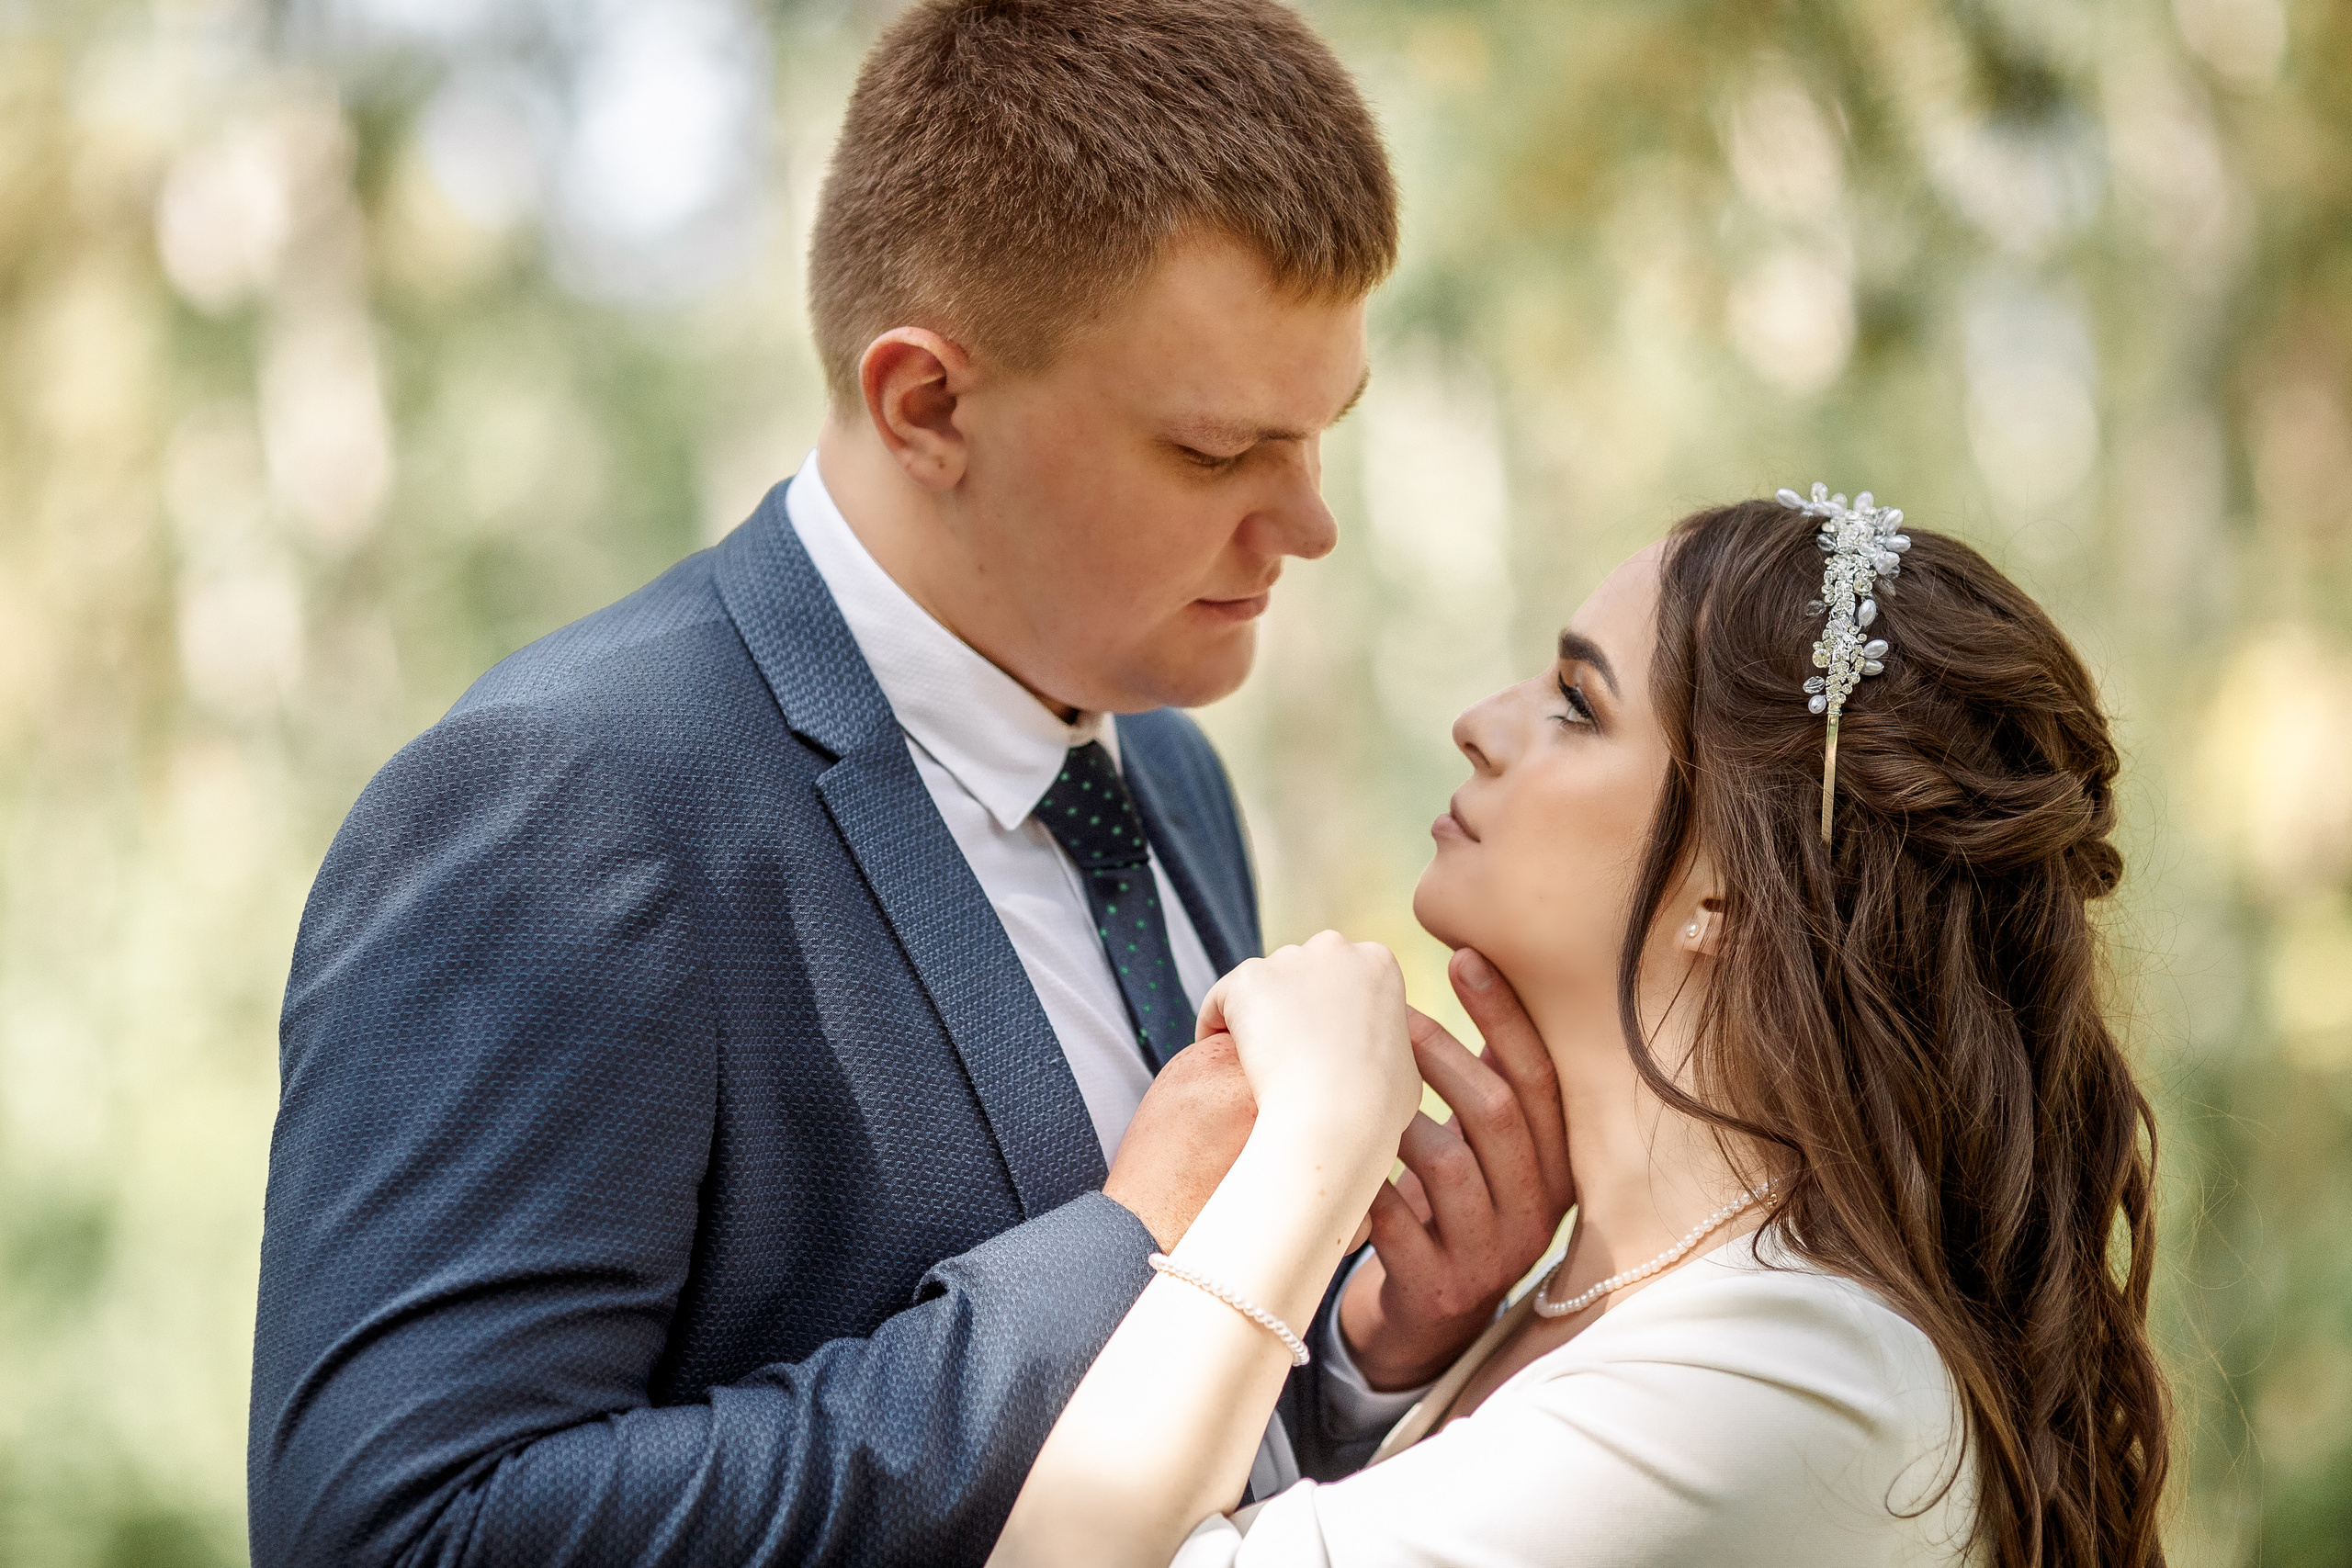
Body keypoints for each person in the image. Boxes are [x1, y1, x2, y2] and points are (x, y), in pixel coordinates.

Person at [245, 3, 1572, 1564]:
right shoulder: (564, 806)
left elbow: (1173, 1460)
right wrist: (1126, 1248)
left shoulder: (1171, 775)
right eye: (1219, 454)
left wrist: (1367, 1340)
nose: (1308, 523)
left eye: (1321, 437)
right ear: (926, 403)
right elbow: (402, 1534)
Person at [990, 491, 2173, 1568]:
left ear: (1733, 891)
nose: (1479, 724)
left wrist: (1309, 1153)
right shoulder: (1594, 1299)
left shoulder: (1791, 1381)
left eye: (1575, 703)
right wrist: (1382, 1341)